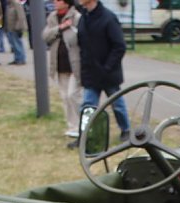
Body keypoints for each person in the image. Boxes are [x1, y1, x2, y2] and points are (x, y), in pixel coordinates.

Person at [76, 0, 130, 142]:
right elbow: (82, 45)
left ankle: (126, 131)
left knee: (117, 104)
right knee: (88, 107)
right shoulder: (84, 18)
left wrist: (107, 67)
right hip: (90, 74)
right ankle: (84, 138)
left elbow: (119, 46)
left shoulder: (108, 18)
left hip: (108, 74)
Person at [43, 0, 82, 138]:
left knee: (73, 95)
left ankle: (82, 124)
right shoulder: (52, 17)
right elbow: (46, 36)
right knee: (65, 97)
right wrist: (60, 28)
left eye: (59, 0)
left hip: (74, 64)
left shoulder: (76, 17)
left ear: (67, 3)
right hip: (59, 63)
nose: (55, 2)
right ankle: (72, 126)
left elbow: (78, 38)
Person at [6, 0, 27, 65]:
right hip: (10, 28)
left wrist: (19, 27)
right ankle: (17, 58)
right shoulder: (9, 4)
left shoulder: (16, 4)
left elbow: (21, 16)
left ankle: (21, 59)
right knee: (14, 45)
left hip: (16, 28)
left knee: (18, 44)